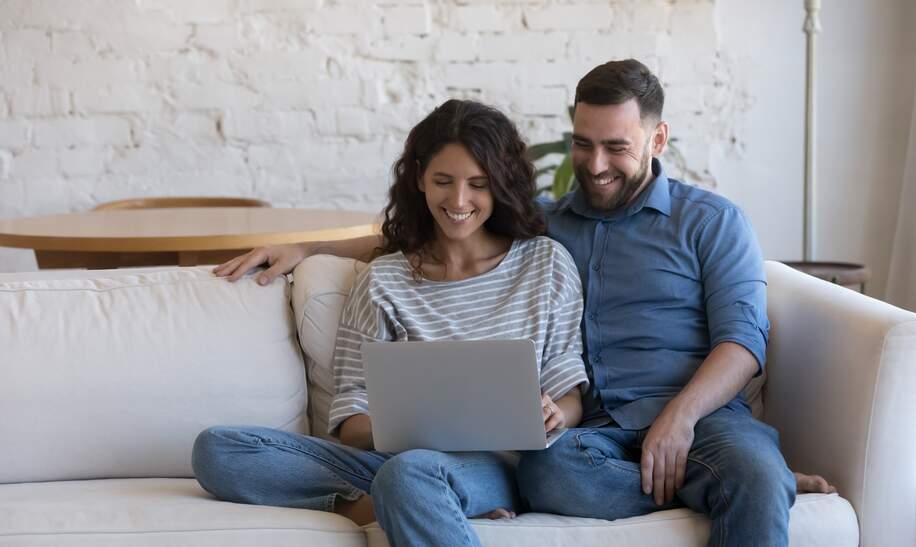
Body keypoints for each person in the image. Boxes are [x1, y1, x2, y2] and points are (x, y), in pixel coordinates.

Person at [214, 60, 836, 546]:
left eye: (616, 147)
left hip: (698, 420)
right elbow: (447, 224)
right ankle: (729, 485)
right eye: (582, 143)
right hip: (591, 440)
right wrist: (308, 249)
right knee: (546, 474)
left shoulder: (708, 223)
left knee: (749, 472)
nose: (595, 165)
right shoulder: (543, 226)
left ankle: (747, 479)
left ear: (657, 138)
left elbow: (744, 341)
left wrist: (678, 420)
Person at [193, 99, 590, 547]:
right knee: (219, 450)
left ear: (500, 185)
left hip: (496, 466)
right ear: (420, 177)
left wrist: (555, 413)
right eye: (443, 181)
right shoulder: (385, 279)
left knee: (409, 473)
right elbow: (350, 420)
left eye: (478, 184)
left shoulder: (545, 264)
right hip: (393, 460)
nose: (459, 201)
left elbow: (568, 394)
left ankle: (418, 495)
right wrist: (416, 426)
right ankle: (386, 504)